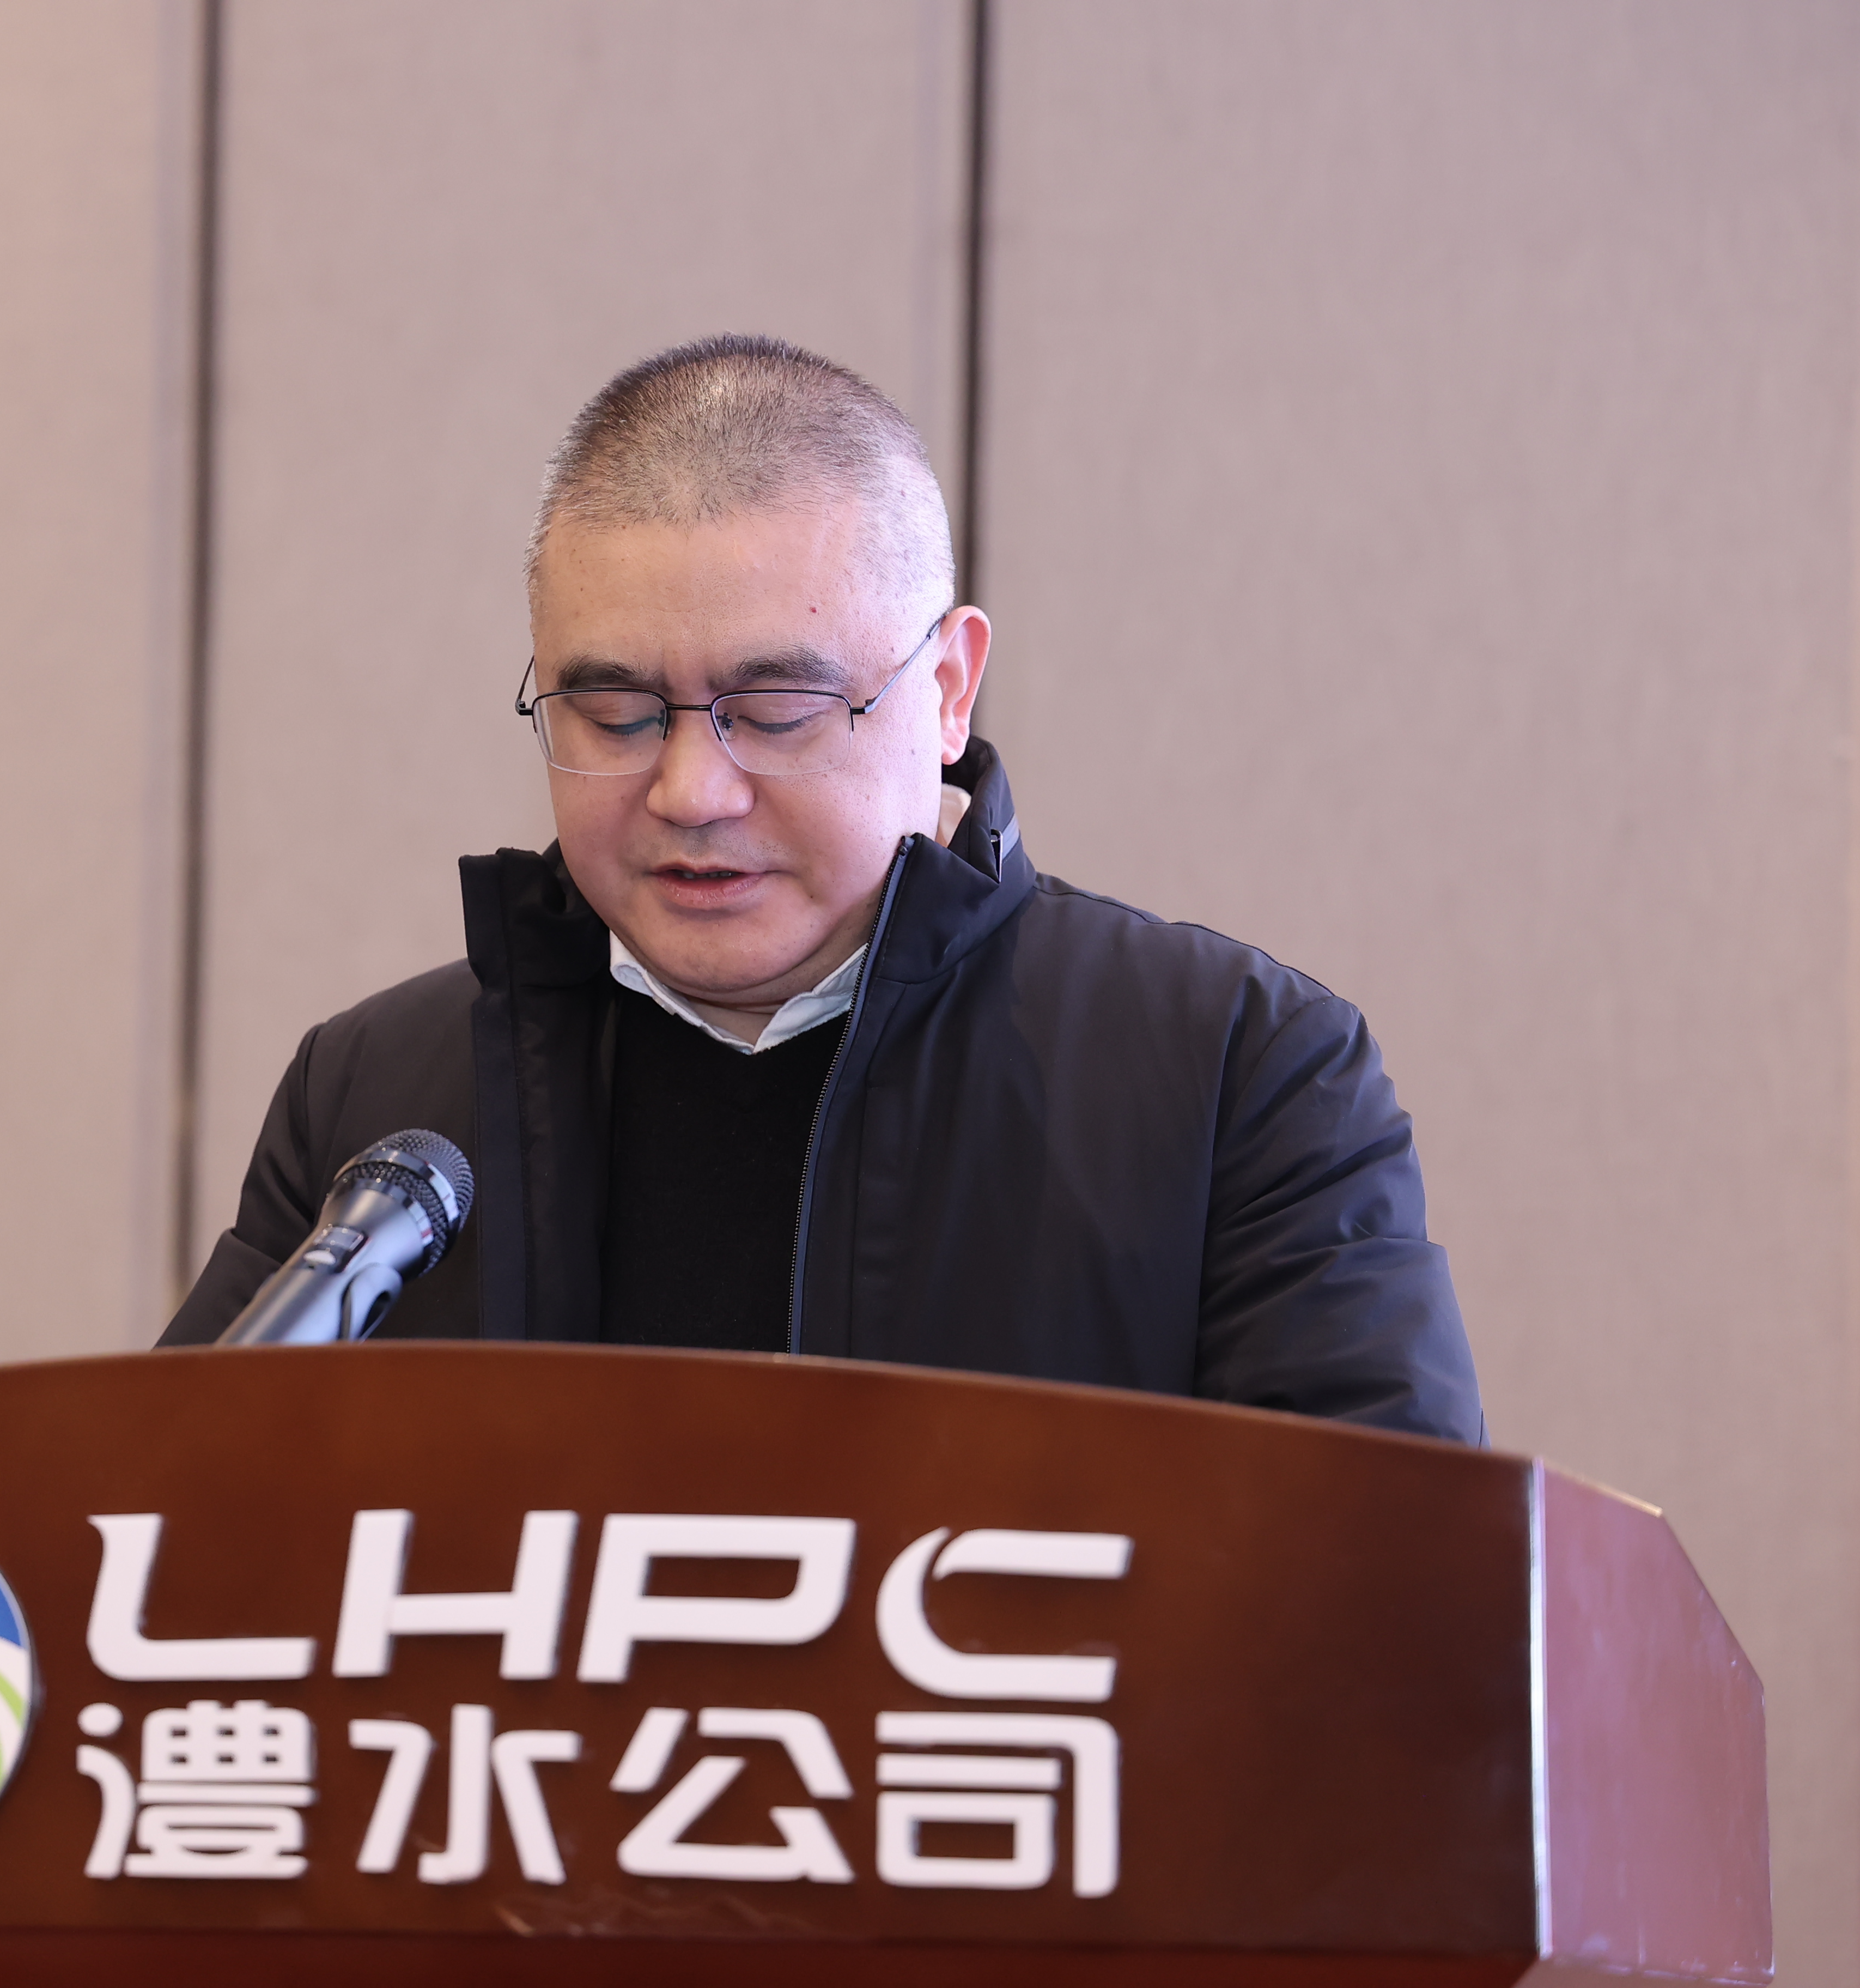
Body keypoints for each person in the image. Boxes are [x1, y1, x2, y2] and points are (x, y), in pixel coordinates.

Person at [161, 334, 1483, 1443]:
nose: (691, 790)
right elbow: (156, 1542)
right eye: (614, 714)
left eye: (775, 711)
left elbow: (1395, 1605)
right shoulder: (380, 1099)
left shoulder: (1236, 1076)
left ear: (948, 690)